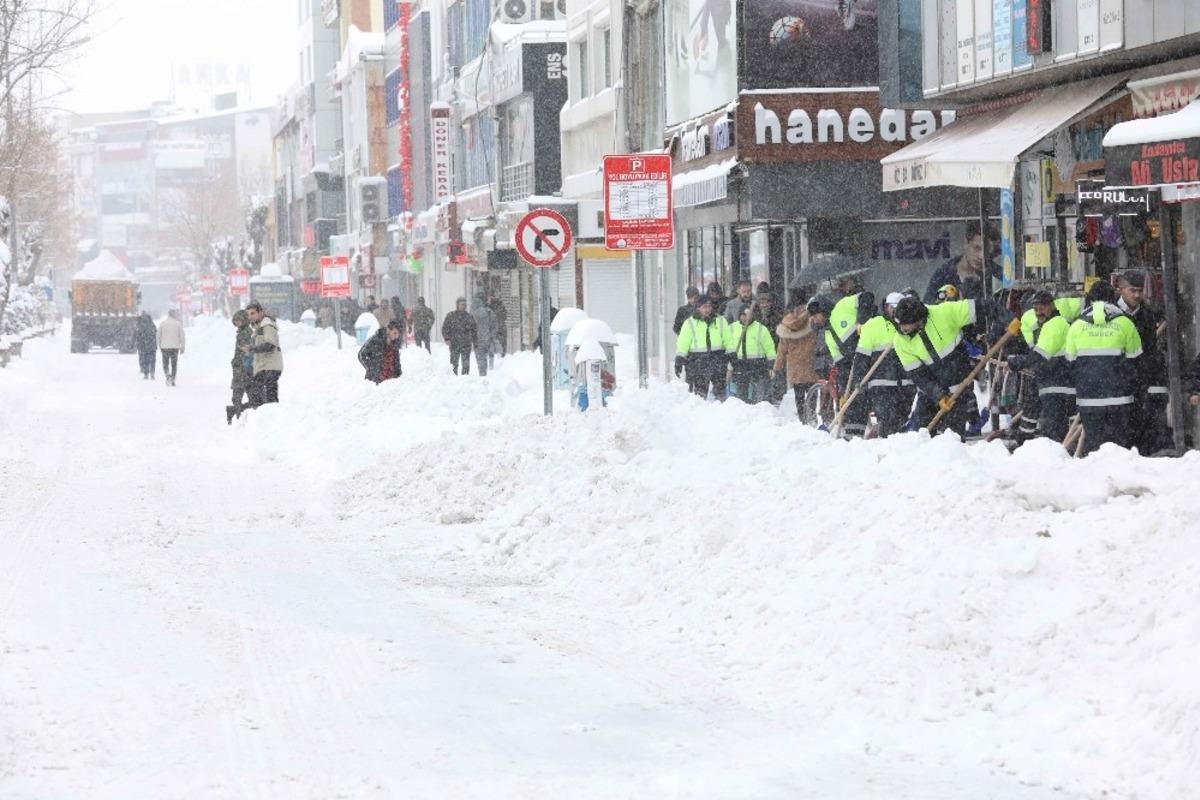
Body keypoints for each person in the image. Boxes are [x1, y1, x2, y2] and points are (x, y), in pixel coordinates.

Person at [892, 295, 993, 439]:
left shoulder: (945, 313)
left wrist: (1006, 320)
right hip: (929, 392)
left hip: (958, 387)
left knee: (951, 437)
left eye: (905, 324)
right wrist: (938, 395)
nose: (901, 328)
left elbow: (983, 306)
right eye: (899, 323)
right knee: (921, 434)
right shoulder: (900, 340)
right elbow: (918, 375)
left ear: (918, 319)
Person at [1065, 282, 1143, 455]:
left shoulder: (1076, 326)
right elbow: (1136, 359)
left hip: (1089, 399)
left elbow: (1070, 362)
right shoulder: (1125, 323)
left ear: (1090, 299)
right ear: (1113, 299)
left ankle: (1096, 478)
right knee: (1120, 447)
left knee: (1094, 447)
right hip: (1120, 398)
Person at [1004, 291, 1075, 442]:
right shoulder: (1048, 325)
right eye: (1035, 309)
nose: (1039, 312)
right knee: (1031, 405)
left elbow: (1039, 357)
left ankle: (1056, 456)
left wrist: (1016, 362)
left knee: (1053, 432)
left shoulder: (1054, 324)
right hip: (1050, 381)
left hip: (1058, 385)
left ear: (1052, 306)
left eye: (1042, 307)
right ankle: (1025, 439)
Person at [1116, 271, 1169, 454]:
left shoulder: (1147, 314)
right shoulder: (1111, 314)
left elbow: (1149, 347)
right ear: (1121, 289)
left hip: (1141, 377)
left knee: (1141, 422)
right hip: (1118, 377)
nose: (1137, 295)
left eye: (1140, 291)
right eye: (1133, 290)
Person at [850, 292, 915, 437]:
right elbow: (861, 356)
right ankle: (878, 435)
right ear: (886, 307)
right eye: (894, 307)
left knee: (902, 424)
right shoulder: (874, 325)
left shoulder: (907, 323)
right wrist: (859, 379)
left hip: (905, 384)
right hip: (881, 385)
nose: (897, 311)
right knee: (882, 420)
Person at [823, 276, 875, 437]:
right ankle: (853, 435)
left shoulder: (842, 306)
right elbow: (842, 365)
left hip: (871, 354)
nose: (812, 320)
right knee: (854, 399)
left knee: (874, 395)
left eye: (814, 316)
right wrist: (843, 391)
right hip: (856, 365)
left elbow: (867, 297)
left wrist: (861, 321)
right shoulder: (828, 336)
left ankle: (880, 429)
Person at [775, 293, 823, 421]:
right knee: (812, 396)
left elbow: (782, 349)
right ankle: (811, 418)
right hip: (811, 365)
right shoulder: (813, 320)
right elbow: (821, 340)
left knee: (799, 397)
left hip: (795, 369)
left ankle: (803, 420)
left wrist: (777, 367)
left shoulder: (786, 325)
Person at [675, 294, 730, 399]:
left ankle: (722, 412)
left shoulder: (720, 321)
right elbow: (683, 342)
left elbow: (728, 339)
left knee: (720, 391)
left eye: (709, 306)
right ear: (698, 308)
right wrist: (679, 358)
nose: (708, 309)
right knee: (700, 394)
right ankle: (700, 412)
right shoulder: (690, 323)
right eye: (704, 306)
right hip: (698, 361)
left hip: (717, 359)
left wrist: (731, 353)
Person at [923, 222, 992, 303]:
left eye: (986, 250)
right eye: (977, 248)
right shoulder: (943, 275)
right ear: (966, 244)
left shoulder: (992, 275)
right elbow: (928, 308)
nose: (981, 255)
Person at [725, 305, 777, 404]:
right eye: (743, 315)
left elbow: (770, 349)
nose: (746, 318)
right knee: (741, 395)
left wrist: (771, 366)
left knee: (760, 396)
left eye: (748, 315)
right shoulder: (731, 328)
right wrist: (729, 363)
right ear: (739, 316)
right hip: (740, 365)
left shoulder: (761, 329)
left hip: (758, 366)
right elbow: (727, 347)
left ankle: (759, 413)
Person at [242, 301, 283, 407]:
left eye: (253, 313)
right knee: (259, 396)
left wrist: (253, 349)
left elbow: (270, 344)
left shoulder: (267, 325)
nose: (250, 317)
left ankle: (270, 416)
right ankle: (264, 416)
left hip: (270, 367)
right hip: (262, 367)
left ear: (260, 313)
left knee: (268, 397)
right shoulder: (258, 328)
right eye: (248, 314)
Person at [226, 311, 255, 424]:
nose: (237, 323)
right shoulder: (242, 331)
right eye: (235, 320)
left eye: (239, 320)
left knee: (239, 396)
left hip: (243, 369)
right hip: (241, 368)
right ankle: (237, 414)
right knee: (241, 395)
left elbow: (246, 351)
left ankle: (237, 415)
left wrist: (243, 365)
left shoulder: (245, 332)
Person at [442, 297, 477, 375]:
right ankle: (453, 378)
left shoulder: (469, 317)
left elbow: (474, 330)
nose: (463, 306)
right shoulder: (451, 316)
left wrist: (475, 342)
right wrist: (447, 338)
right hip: (454, 343)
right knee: (454, 364)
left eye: (464, 304)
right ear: (457, 305)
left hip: (466, 343)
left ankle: (464, 380)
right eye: (461, 304)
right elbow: (445, 327)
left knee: (466, 364)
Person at [156, 309, 185, 387]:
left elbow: (158, 336)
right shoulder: (178, 324)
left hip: (165, 347)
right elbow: (182, 336)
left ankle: (167, 375)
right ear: (174, 315)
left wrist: (159, 345)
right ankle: (173, 378)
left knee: (165, 363)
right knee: (174, 364)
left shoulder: (162, 324)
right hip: (175, 347)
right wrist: (182, 347)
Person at [470, 296, 498, 376]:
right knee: (486, 355)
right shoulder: (489, 311)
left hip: (477, 339)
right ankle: (486, 369)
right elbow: (495, 325)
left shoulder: (472, 314)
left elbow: (469, 327)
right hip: (487, 338)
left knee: (480, 357)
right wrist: (492, 334)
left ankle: (482, 372)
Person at [135, 312, 157, 379]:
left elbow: (138, 336)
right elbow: (156, 334)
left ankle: (146, 373)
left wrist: (139, 344)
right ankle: (152, 373)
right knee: (153, 360)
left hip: (144, 346)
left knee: (146, 360)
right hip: (152, 346)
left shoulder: (141, 326)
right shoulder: (153, 325)